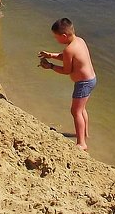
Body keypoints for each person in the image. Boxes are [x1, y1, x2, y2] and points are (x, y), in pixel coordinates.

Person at [38, 17, 96, 150]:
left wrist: (50, 66)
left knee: (75, 111)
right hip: (91, 79)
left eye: (56, 37)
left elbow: (66, 70)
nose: (56, 40)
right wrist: (51, 55)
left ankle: (81, 143)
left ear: (64, 36)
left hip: (83, 83)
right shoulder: (79, 41)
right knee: (82, 109)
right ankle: (84, 134)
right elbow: (68, 57)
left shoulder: (69, 49)